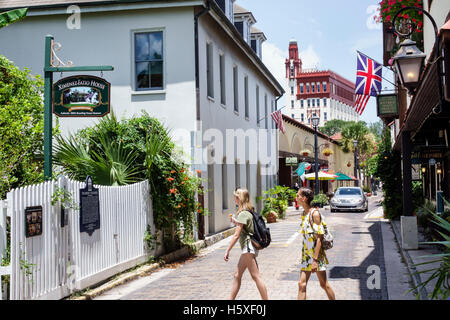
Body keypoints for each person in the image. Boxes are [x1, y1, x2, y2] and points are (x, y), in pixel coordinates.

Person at [224, 188, 268, 300]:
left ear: (239, 198)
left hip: (248, 247)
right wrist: (236, 221)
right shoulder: (249, 211)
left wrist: (227, 250)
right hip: (249, 248)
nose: (234, 199)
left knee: (256, 276)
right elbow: (245, 227)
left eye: (235, 197)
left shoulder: (243, 214)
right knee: (237, 275)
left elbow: (236, 235)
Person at [296, 187, 336, 300]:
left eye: (298, 195)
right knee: (301, 284)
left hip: (316, 256)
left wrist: (315, 259)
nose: (296, 197)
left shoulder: (315, 214)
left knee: (323, 284)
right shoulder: (304, 213)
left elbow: (319, 238)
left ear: (304, 198)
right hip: (306, 255)